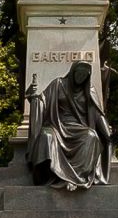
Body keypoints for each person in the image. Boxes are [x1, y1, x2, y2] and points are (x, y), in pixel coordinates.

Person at [25, 61, 112, 190]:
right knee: (46, 136)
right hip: (57, 125)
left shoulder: (89, 90)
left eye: (84, 75)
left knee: (91, 136)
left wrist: (108, 133)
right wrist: (32, 96)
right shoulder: (58, 84)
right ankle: (56, 176)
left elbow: (98, 114)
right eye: (79, 73)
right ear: (73, 72)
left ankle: (76, 178)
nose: (81, 77)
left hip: (79, 128)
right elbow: (42, 101)